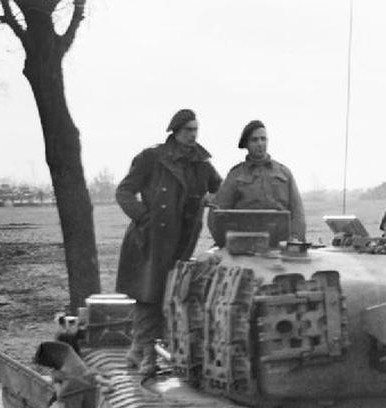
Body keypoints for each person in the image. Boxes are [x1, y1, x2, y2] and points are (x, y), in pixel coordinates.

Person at [115, 109, 222, 375]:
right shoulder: (152, 158)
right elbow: (124, 191)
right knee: (148, 296)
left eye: (196, 130)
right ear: (175, 131)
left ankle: (139, 350)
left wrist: (213, 199)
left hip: (182, 241)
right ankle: (147, 355)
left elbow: (221, 188)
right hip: (151, 240)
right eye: (188, 130)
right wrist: (144, 217)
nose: (193, 135)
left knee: (169, 293)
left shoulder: (201, 163)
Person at [210, 120, 306, 242]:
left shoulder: (284, 173)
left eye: (263, 139)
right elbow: (217, 213)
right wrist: (227, 242)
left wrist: (295, 239)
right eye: (254, 140)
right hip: (246, 247)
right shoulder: (236, 175)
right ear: (246, 144)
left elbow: (298, 213)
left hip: (281, 246)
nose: (260, 143)